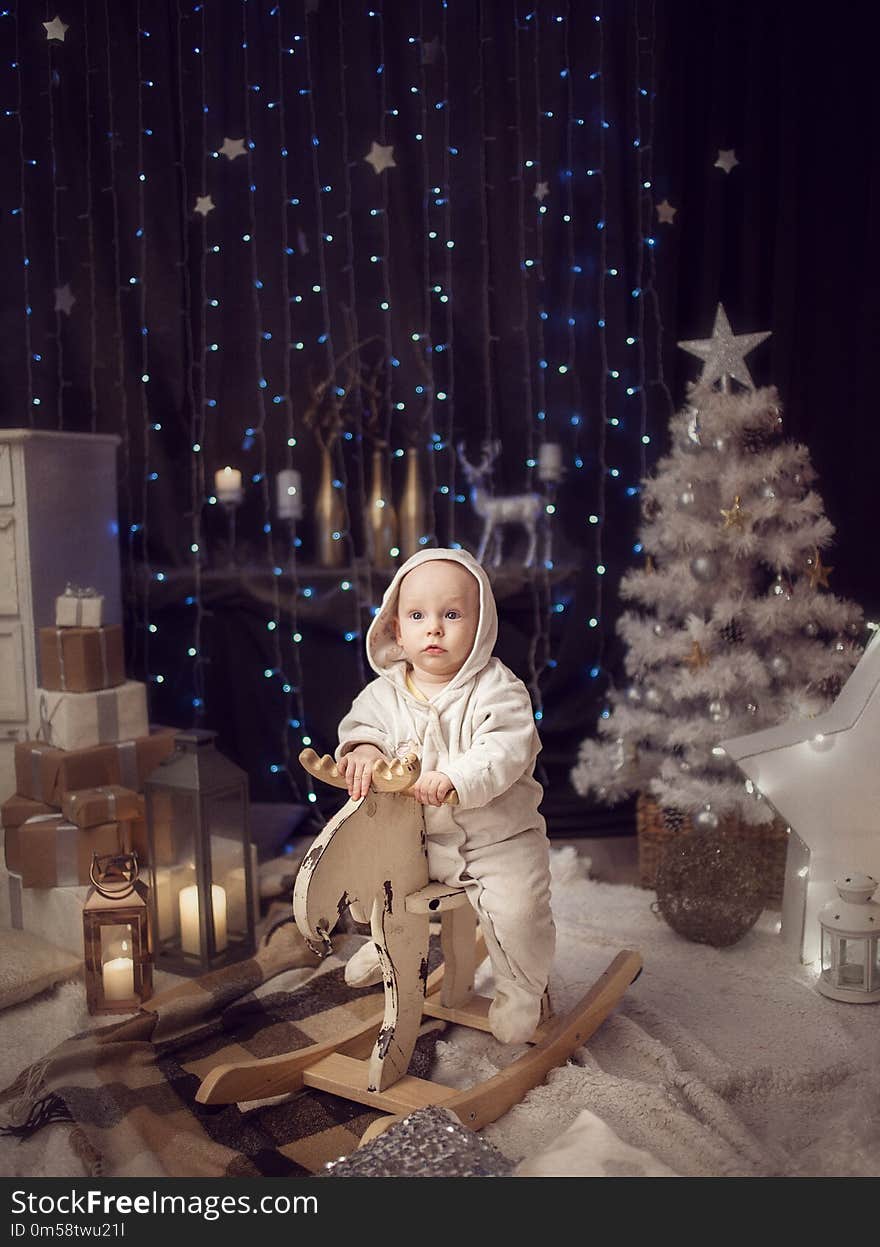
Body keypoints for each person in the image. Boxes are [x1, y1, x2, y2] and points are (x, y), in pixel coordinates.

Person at [335, 546, 555, 1045]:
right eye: (418, 616)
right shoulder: (384, 693)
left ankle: (520, 987)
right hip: (418, 840)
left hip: (496, 839)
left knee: (520, 910)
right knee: (370, 868)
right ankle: (382, 942)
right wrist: (365, 748)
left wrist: (455, 777)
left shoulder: (499, 689)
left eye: (451, 615)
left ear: (479, 628)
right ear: (396, 629)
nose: (433, 628)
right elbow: (360, 726)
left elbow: (507, 747)